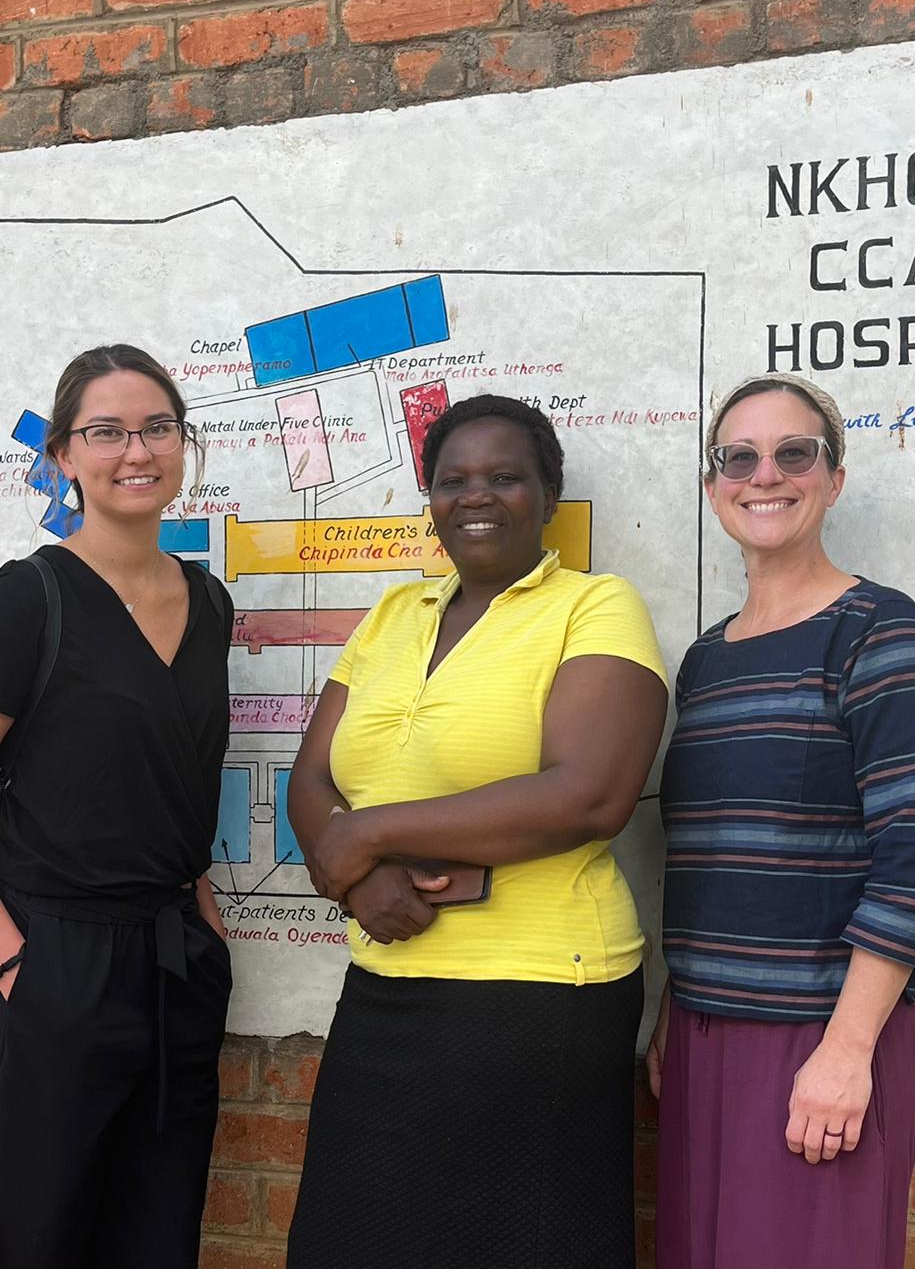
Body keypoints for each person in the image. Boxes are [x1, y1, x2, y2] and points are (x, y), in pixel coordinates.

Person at [285, 394, 669, 1269]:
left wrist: (368, 833)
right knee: (354, 1239)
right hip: (386, 977)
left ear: (548, 494)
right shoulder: (393, 616)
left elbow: (589, 796)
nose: (477, 496)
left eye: (505, 477)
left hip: (541, 991)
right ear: (430, 497)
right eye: (453, 480)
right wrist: (356, 875)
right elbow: (312, 778)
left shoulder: (595, 606)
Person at [0, 344, 234, 1269]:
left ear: (183, 446)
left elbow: (174, 775)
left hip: (172, 961)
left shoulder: (210, 605)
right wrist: (16, 969)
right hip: (49, 957)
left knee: (156, 1230)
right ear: (62, 457)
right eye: (107, 432)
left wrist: (202, 921)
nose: (137, 451)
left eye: (158, 428)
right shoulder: (25, 601)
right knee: (30, 1235)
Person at [650, 372, 915, 1269]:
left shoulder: (879, 633)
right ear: (714, 488)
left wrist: (846, 1050)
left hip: (821, 1035)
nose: (765, 475)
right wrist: (678, 1005)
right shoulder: (705, 661)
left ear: (834, 478)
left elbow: (914, 863)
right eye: (738, 458)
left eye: (795, 453)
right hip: (706, 1037)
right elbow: (703, 855)